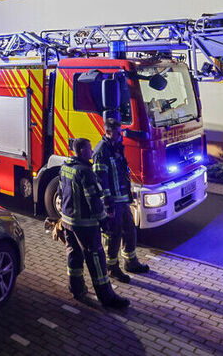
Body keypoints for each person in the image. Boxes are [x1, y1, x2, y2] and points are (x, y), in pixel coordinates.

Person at [58, 137, 130, 309]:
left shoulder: (65, 167)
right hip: (85, 225)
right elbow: (94, 201)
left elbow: (61, 193)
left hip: (68, 221)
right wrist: (104, 222)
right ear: (82, 151)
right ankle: (107, 297)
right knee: (96, 258)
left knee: (74, 255)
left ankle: (76, 288)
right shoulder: (85, 172)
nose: (92, 152)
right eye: (89, 149)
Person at [94, 119, 150, 282]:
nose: (121, 136)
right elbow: (101, 180)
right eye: (118, 133)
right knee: (113, 236)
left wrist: (129, 192)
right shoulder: (101, 151)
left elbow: (123, 172)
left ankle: (131, 262)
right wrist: (108, 204)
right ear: (108, 132)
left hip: (123, 200)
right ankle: (112, 268)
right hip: (112, 203)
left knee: (130, 230)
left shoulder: (116, 147)